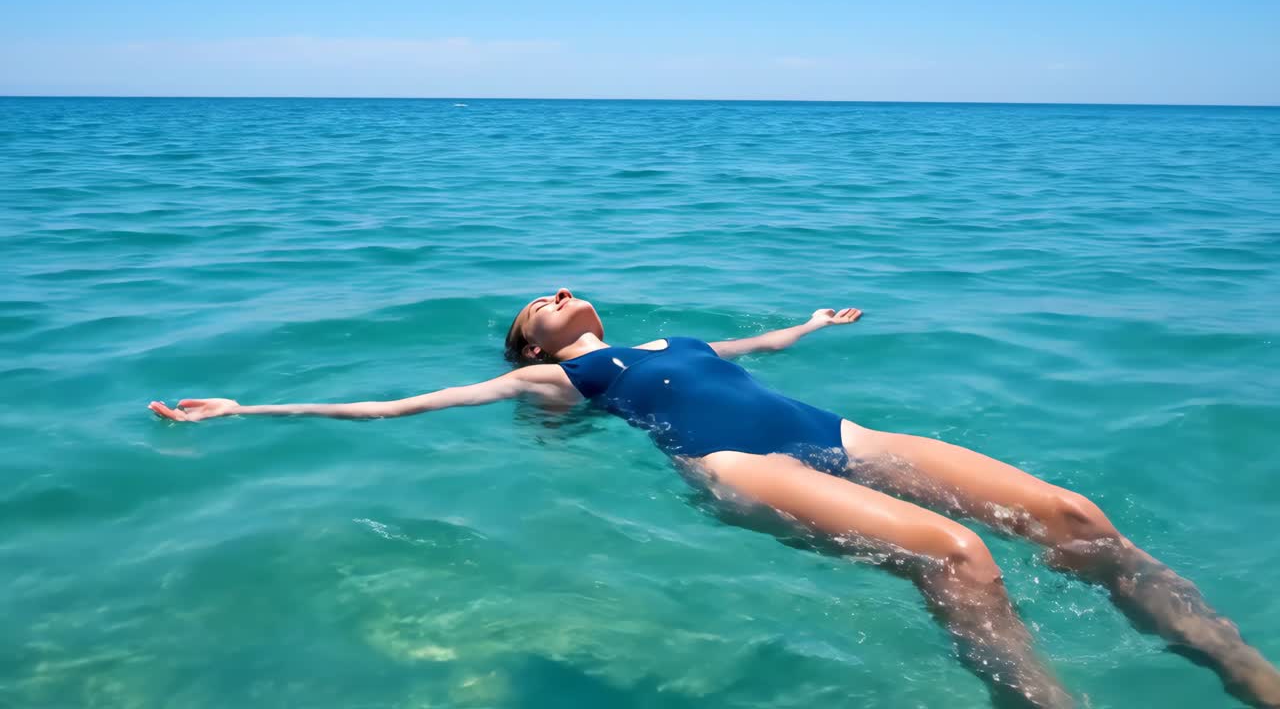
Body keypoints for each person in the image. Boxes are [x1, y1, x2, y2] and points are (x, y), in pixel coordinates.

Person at [149, 288, 1280, 709]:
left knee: (1073, 517)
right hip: (738, 466)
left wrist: (812, 325)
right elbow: (397, 406)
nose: (552, 293)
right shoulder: (556, 379)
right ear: (532, 345)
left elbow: (757, 347)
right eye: (532, 306)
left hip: (830, 432)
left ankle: (1240, 671)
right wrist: (246, 410)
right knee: (958, 557)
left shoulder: (669, 339)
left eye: (555, 290)